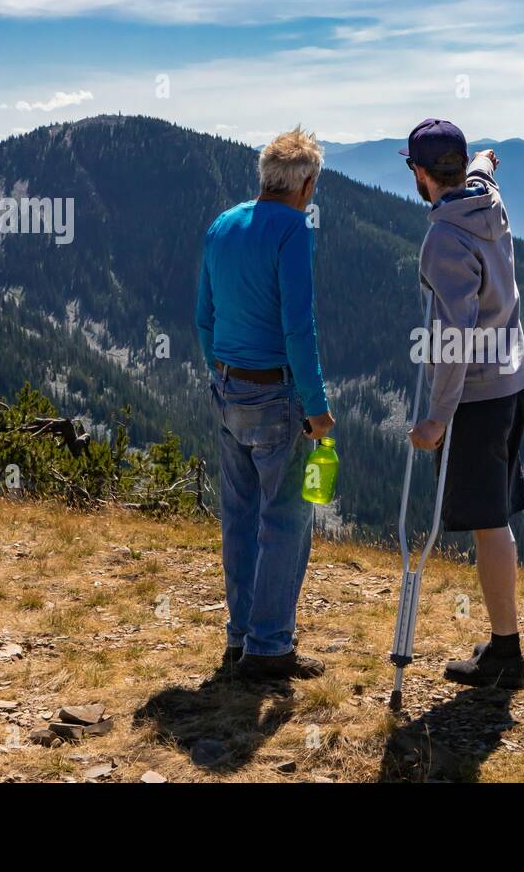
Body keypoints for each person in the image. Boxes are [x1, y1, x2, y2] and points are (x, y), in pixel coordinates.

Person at [195, 126, 335, 681]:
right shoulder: (293, 231)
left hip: (229, 387)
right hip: (277, 394)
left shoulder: (222, 226)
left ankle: (239, 639)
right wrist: (317, 404)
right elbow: (300, 328)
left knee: (239, 517)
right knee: (284, 519)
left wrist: (222, 372)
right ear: (303, 185)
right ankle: (270, 647)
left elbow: (203, 318)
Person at [403, 118, 524, 690]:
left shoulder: (443, 239)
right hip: (513, 378)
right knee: (494, 518)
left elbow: (452, 338)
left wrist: (438, 417)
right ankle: (503, 643)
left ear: (422, 173)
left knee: (488, 523)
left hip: (477, 395)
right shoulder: (490, 204)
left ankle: (506, 654)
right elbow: (481, 175)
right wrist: (484, 160)